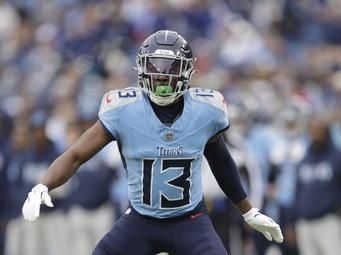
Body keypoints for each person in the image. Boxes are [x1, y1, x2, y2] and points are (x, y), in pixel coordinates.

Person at [22, 30, 283, 255]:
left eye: (170, 70)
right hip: (140, 219)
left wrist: (248, 211)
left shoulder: (205, 110)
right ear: (142, 68)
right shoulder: (123, 110)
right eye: (155, 68)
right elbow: (77, 154)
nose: (161, 77)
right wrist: (43, 184)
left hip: (190, 220)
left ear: (187, 72)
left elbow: (220, 160)